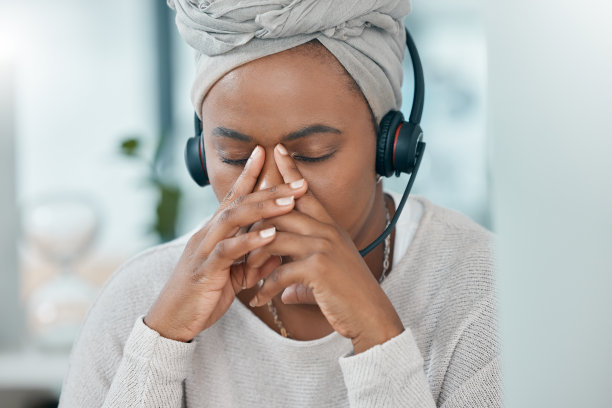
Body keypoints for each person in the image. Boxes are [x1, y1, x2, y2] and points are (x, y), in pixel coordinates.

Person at [59, 1, 501, 407]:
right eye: (234, 158)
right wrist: (159, 347)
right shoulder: (139, 300)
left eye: (312, 153)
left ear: (390, 149)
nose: (270, 192)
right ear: (199, 155)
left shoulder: (485, 292)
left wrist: (378, 339)